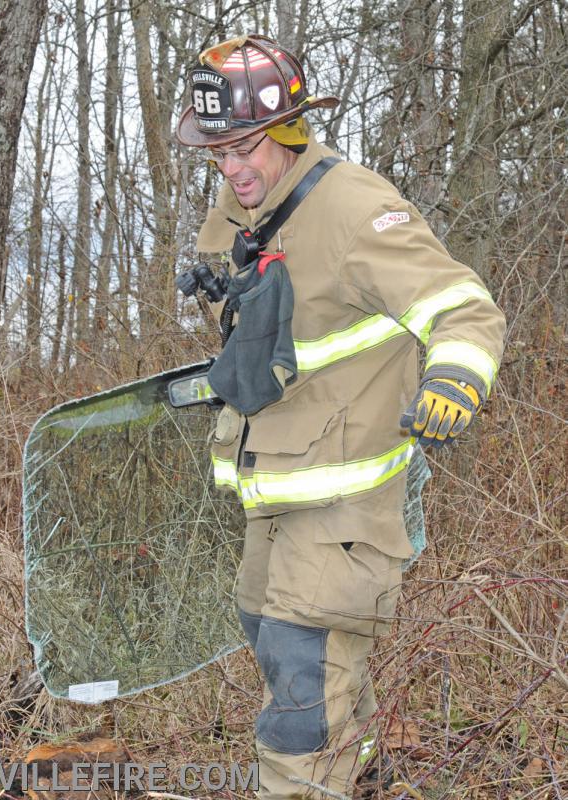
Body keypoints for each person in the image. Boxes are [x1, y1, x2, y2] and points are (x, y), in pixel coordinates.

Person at [176, 34, 505, 799]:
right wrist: (214, 283)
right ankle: (347, 774)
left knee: (301, 694)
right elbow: (276, 311)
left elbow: (465, 309)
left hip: (344, 501)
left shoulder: (358, 210)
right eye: (217, 154)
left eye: (246, 148)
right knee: (275, 642)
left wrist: (453, 379)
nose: (231, 170)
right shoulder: (241, 204)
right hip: (275, 489)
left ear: (290, 131)